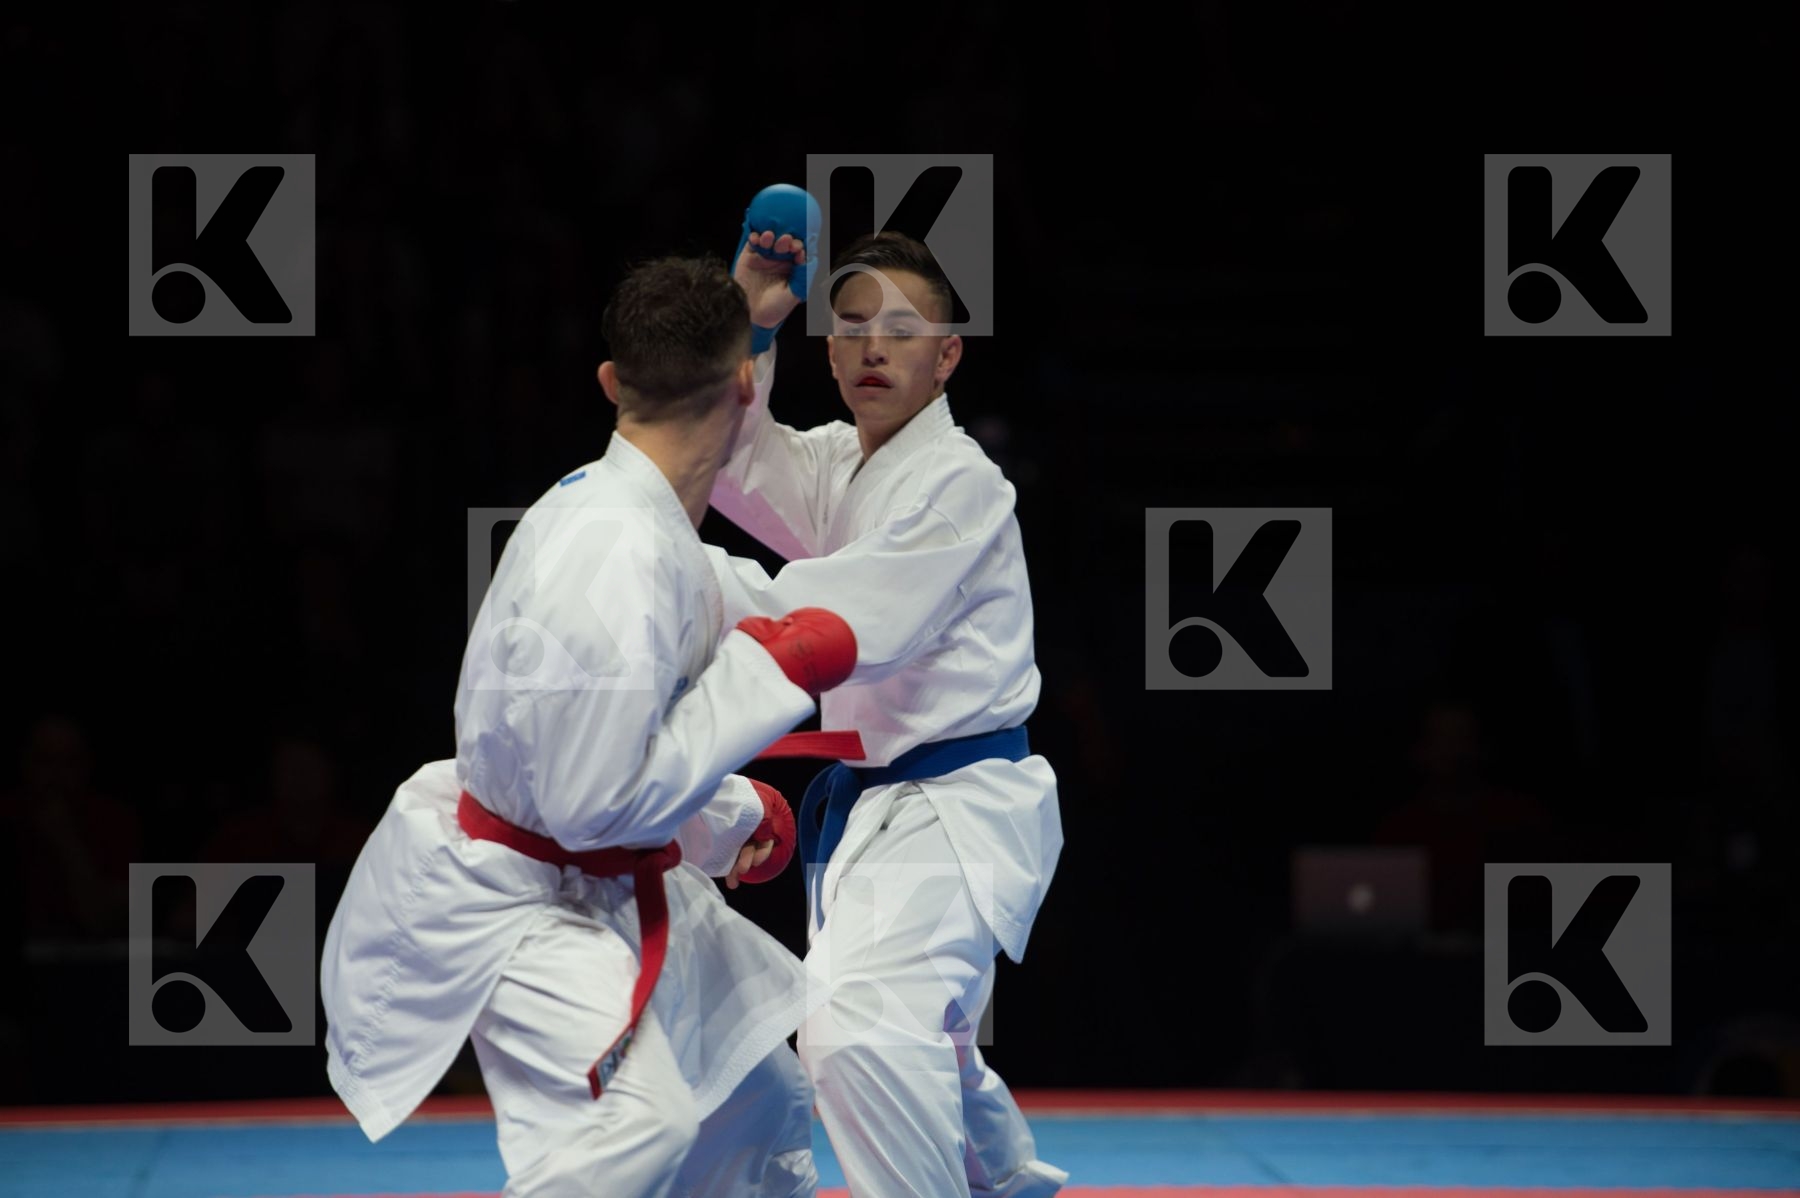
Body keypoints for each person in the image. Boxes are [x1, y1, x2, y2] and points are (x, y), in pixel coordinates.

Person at [322, 256, 857, 1197]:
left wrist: (733, 809)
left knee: (759, 1098)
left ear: (612, 384)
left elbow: (749, 608)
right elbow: (590, 803)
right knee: (640, 1128)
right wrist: (757, 699)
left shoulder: (639, 526)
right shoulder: (614, 554)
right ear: (741, 386)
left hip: (588, 870)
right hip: (527, 900)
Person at [706, 203, 1068, 1196]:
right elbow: (734, 458)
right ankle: (999, 1172)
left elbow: (861, 618)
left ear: (947, 357)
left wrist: (689, 591)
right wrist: (750, 316)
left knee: (860, 1019)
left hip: (955, 805)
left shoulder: (961, 482)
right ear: (829, 351)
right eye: (853, 328)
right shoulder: (841, 464)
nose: (873, 347)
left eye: (901, 331)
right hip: (880, 806)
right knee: (924, 1026)